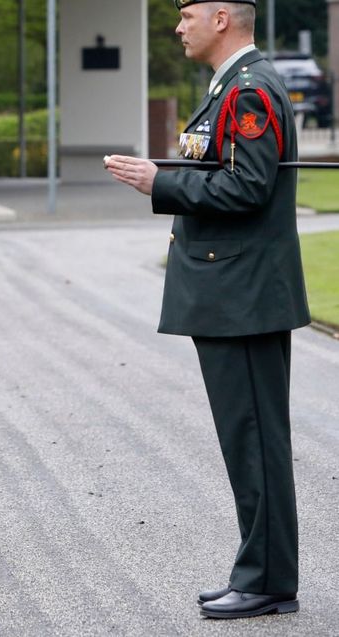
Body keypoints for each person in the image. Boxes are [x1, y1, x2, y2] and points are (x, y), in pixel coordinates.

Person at [105, 0, 308, 620]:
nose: (178, 25)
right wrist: (166, 175)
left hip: (242, 296)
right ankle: (261, 571)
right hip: (234, 293)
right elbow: (225, 171)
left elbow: (248, 187)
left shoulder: (249, 90)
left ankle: (268, 580)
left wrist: (157, 181)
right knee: (246, 439)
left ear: (222, 18)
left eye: (187, 14)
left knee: (254, 441)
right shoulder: (233, 86)